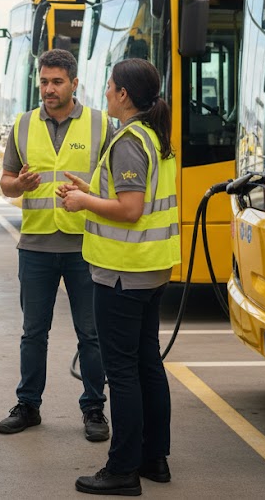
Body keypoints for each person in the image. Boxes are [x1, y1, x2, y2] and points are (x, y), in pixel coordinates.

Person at [60, 58, 180, 496]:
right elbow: (136, 200)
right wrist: (91, 192)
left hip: (122, 274)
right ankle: (154, 458)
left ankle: (122, 469)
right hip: (149, 270)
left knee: (123, 371)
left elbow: (130, 211)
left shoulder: (129, 139)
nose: (105, 93)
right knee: (147, 363)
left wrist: (82, 204)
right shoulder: (152, 135)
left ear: (124, 95)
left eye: (109, 87)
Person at [0, 48, 110, 442]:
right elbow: (6, 181)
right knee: (33, 332)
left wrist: (89, 192)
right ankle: (28, 405)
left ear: (74, 84)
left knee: (91, 334)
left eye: (56, 82)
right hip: (36, 245)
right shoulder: (23, 124)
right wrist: (20, 186)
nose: (48, 88)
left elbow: (116, 185)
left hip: (86, 245)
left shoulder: (101, 124)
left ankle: (94, 409)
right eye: (43, 81)